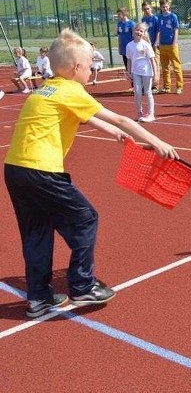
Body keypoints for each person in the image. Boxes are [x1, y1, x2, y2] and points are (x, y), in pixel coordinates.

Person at [3, 28, 179, 318]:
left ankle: (39, 297)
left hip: (15, 170)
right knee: (85, 218)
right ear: (75, 69)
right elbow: (121, 117)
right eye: (89, 65)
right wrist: (158, 142)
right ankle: (83, 285)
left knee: (37, 232)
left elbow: (79, 118)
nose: (92, 69)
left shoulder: (44, 90)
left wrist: (114, 134)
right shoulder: (72, 90)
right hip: (43, 170)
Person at [126, 22, 158, 122]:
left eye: (141, 31)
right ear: (133, 32)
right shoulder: (129, 45)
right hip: (135, 72)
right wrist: (129, 72)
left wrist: (156, 74)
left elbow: (153, 59)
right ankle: (139, 112)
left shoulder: (146, 45)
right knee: (138, 93)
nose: (139, 32)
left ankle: (151, 113)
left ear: (144, 33)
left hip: (147, 72)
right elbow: (129, 60)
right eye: (137, 30)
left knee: (148, 92)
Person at [156, 0, 184, 94]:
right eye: (163, 7)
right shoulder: (159, 17)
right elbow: (158, 30)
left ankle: (179, 86)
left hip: (172, 45)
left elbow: (176, 29)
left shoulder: (173, 16)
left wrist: (174, 42)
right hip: (162, 45)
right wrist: (158, 43)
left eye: (166, 6)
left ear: (169, 6)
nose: (165, 8)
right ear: (160, 7)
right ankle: (166, 86)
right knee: (165, 67)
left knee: (176, 66)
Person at [141, 1, 160, 93]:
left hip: (154, 44)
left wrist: (156, 42)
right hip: (146, 45)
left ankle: (155, 85)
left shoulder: (155, 19)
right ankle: (148, 84)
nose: (146, 10)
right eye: (144, 9)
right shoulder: (143, 19)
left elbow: (158, 31)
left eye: (148, 9)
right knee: (147, 64)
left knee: (155, 63)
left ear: (151, 8)